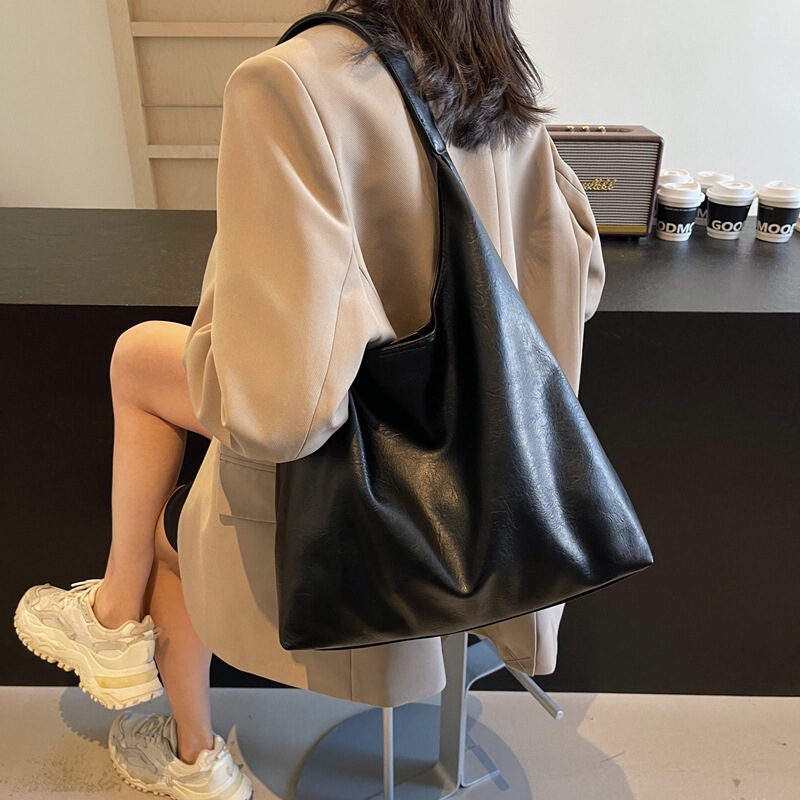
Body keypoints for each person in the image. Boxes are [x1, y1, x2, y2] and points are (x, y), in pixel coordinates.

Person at [13, 1, 605, 798]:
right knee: (147, 371)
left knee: (173, 507)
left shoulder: (290, 82)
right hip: (490, 489)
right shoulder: (495, 74)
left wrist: (230, 340)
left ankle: (167, 708)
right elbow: (576, 279)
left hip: (363, 513)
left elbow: (278, 413)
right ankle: (119, 629)